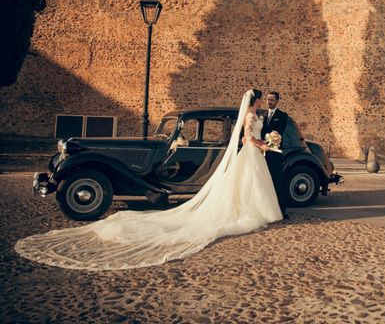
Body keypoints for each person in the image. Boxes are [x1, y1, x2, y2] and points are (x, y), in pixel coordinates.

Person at [14, 89, 283, 271]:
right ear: (257, 101)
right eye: (261, 100)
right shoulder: (251, 115)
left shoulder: (251, 116)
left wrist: (264, 144)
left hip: (249, 152)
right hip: (252, 150)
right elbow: (248, 137)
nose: (261, 103)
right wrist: (263, 145)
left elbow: (247, 138)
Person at [261, 91, 290, 219]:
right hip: (261, 153)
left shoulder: (283, 116)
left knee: (277, 181)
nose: (269, 102)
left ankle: (281, 211)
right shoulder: (262, 115)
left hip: (275, 154)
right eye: (268, 99)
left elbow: (279, 133)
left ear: (277, 101)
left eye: (272, 100)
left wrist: (270, 140)